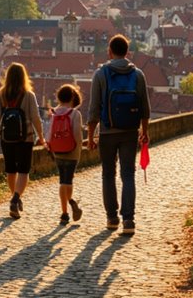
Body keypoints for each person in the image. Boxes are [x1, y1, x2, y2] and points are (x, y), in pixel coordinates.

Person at [87, 34, 150, 236]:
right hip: (130, 131)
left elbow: (93, 109)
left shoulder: (101, 74)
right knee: (128, 175)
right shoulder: (138, 74)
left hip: (107, 131)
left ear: (110, 51)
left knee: (108, 174)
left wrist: (90, 135)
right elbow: (145, 108)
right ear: (128, 52)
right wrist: (145, 132)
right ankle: (129, 220)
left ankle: (112, 217)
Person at [0, 62, 45, 219]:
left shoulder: (1, 95)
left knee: (11, 170)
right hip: (25, 137)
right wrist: (41, 136)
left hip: (6, 138)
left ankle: (14, 197)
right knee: (23, 170)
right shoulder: (29, 95)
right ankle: (15, 199)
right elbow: (36, 118)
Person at [46, 83, 84, 225]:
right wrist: (79, 149)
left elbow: (49, 133)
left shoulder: (54, 113)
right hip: (72, 151)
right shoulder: (75, 114)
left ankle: (64, 213)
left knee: (62, 180)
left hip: (57, 151)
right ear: (73, 98)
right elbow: (77, 135)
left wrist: (49, 146)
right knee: (69, 180)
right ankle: (71, 202)